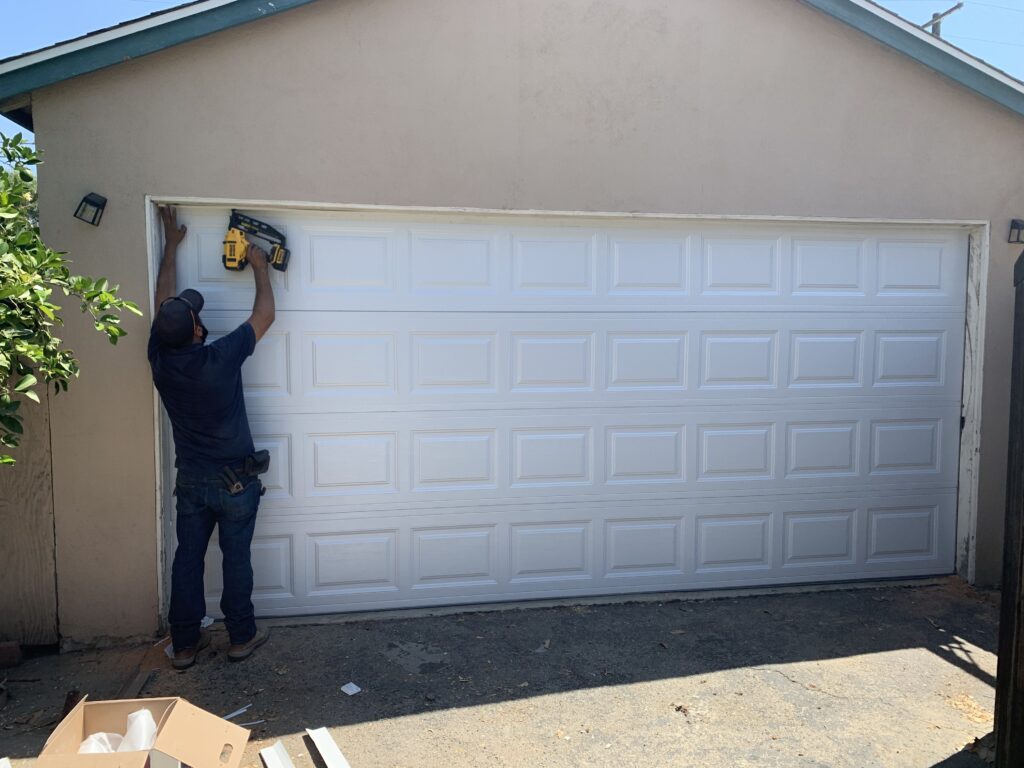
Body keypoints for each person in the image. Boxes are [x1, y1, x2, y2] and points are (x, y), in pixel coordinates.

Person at [149, 206, 275, 669]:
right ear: (198, 330)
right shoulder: (220, 357)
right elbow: (265, 314)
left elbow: (164, 301)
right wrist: (260, 268)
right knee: (235, 557)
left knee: (189, 559)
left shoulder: (161, 357)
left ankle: (184, 645)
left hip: (193, 482)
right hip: (235, 483)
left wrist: (171, 245)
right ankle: (240, 637)